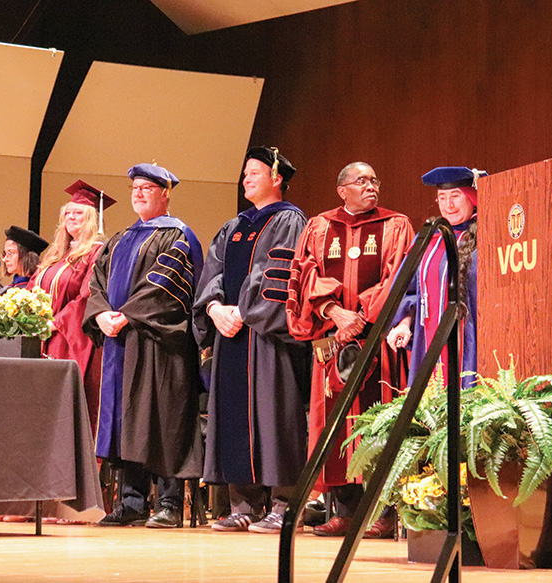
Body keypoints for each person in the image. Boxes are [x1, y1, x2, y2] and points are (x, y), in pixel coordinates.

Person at [286, 162, 414, 538]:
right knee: (334, 425)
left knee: (380, 420)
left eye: (375, 180)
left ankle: (384, 512)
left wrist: (361, 315)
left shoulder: (396, 224)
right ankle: (345, 511)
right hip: (334, 341)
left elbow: (398, 276)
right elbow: (304, 274)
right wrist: (335, 312)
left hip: (379, 342)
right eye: (362, 181)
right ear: (342, 189)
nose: (371, 186)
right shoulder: (319, 226)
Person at [193, 147, 311, 533]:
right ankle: (243, 503)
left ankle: (282, 502)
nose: (246, 179)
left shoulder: (289, 220)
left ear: (277, 177)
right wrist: (213, 309)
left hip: (267, 337)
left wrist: (243, 312)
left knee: (275, 415)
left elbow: (278, 273)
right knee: (231, 413)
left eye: (255, 172)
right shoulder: (233, 226)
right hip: (231, 335)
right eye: (244, 173)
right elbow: (213, 271)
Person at [83, 163, 204, 529]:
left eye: (147, 188)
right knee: (126, 420)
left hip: (160, 344)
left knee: (163, 419)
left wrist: (126, 315)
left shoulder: (180, 236)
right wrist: (102, 314)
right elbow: (96, 283)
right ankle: (131, 502)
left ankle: (168, 502)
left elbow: (167, 286)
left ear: (166, 193)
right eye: (135, 187)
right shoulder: (119, 238)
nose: (138, 193)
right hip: (122, 344)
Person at [387, 166, 484, 387]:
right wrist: (404, 322)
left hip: (472, 342)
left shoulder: (487, 236)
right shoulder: (428, 239)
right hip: (429, 341)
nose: (449, 205)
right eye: (442, 197)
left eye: (456, 196)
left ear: (472, 197)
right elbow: (408, 289)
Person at [36, 181, 113, 426]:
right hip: (42, 336)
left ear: (91, 218)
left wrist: (55, 323)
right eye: (67, 213)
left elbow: (87, 296)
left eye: (78, 212)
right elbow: (33, 288)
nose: (71, 217)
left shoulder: (97, 253)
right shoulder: (56, 255)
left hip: (70, 338)